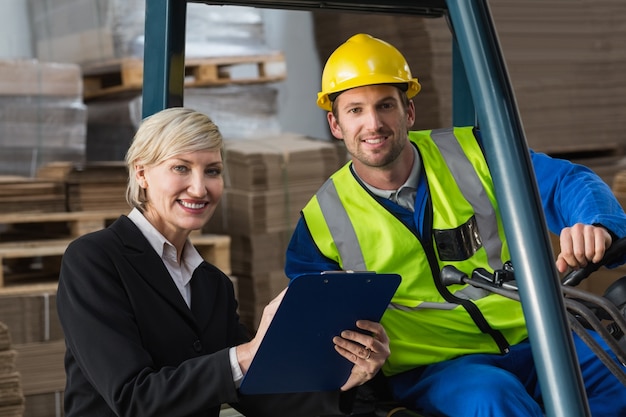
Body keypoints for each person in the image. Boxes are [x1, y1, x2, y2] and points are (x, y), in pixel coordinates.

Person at [284, 33, 626, 416]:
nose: (373, 123)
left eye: (385, 105)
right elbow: (312, 330)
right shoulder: (320, 222)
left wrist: (595, 224)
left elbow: (565, 182)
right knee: (489, 399)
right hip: (445, 369)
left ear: (409, 112)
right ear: (335, 123)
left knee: (617, 370)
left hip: (540, 339)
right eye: (355, 110)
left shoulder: (475, 153)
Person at [56, 107, 391, 417]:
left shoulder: (211, 284)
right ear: (142, 173)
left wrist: (347, 378)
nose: (199, 188)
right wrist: (249, 352)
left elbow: (254, 393)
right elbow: (133, 398)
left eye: (212, 171)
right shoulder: (95, 260)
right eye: (181, 168)